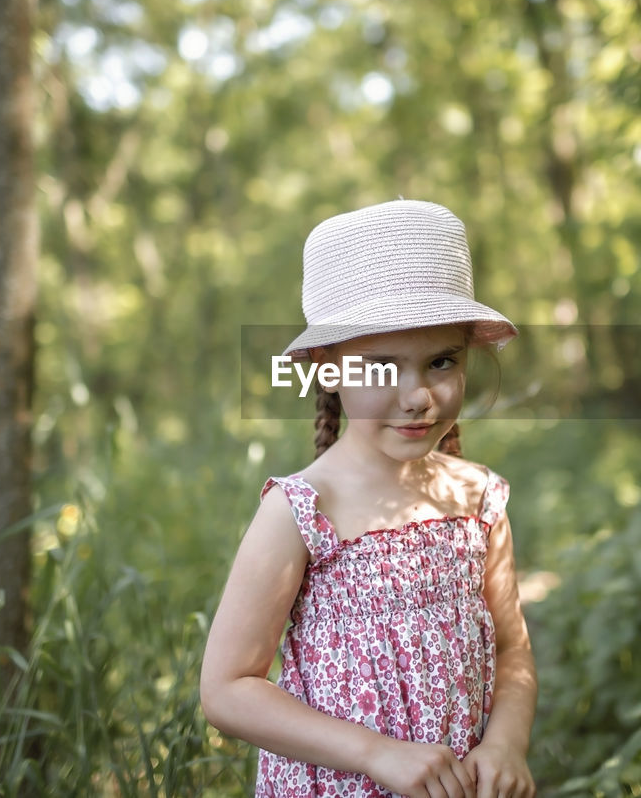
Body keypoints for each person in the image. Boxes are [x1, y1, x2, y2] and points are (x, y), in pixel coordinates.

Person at [200, 200, 537, 798]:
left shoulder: (478, 498)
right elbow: (227, 689)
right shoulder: (301, 510)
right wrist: (374, 753)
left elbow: (512, 650)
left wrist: (506, 744)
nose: (417, 396)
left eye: (441, 362)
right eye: (381, 368)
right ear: (327, 370)